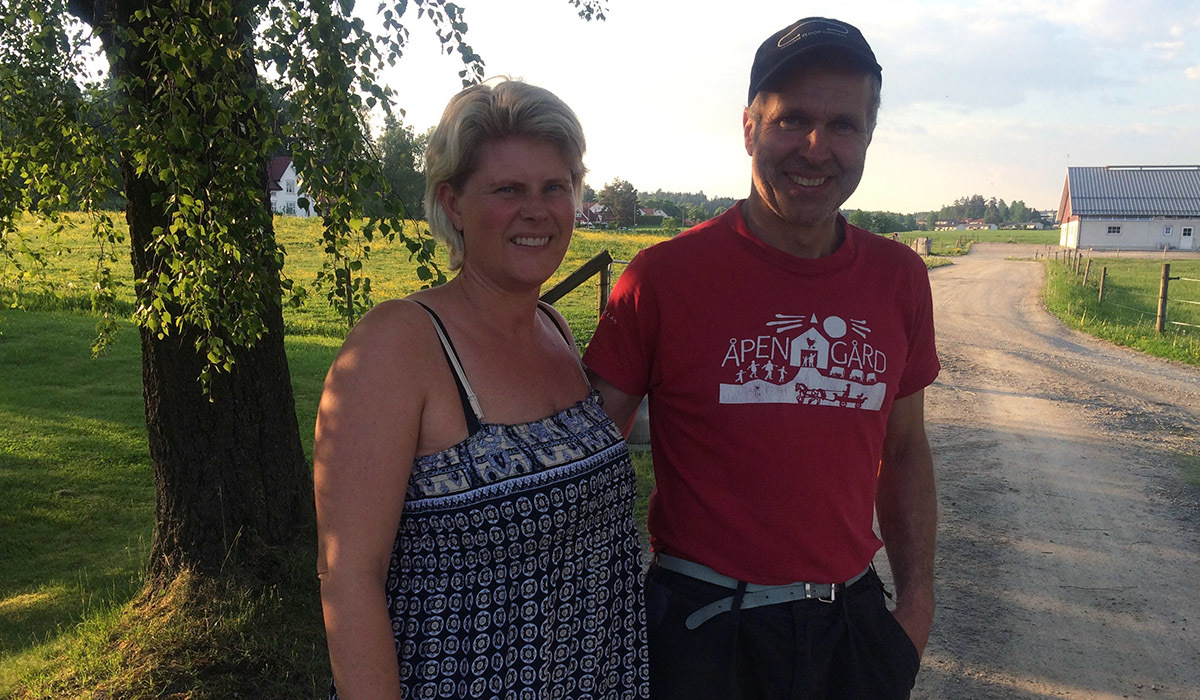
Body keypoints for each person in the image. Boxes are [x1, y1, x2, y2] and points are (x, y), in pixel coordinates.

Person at [582, 17, 938, 700]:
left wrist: (914, 609)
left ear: (867, 136)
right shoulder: (663, 278)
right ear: (749, 127)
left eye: (843, 125)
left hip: (850, 629)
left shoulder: (898, 278)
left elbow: (906, 446)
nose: (816, 147)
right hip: (704, 632)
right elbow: (585, 466)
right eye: (792, 120)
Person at [314, 79, 649, 700]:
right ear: (454, 202)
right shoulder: (398, 345)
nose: (537, 209)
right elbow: (347, 576)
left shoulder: (550, 327)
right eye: (507, 190)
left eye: (555, 187)